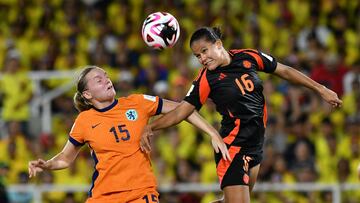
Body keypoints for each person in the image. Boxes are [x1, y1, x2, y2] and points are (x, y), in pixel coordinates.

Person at [140, 27, 343, 203]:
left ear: (218, 44)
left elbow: (286, 71)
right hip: (232, 147)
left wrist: (320, 89)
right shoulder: (206, 79)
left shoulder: (249, 56)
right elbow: (182, 112)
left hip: (255, 145)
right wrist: (151, 127)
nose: (202, 58)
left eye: (204, 51)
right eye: (197, 56)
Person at [28, 66, 230, 203]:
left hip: (141, 194)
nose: (107, 80)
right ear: (88, 95)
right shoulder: (84, 121)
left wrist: (213, 133)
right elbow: (65, 158)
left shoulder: (137, 102)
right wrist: (47, 164)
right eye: (99, 80)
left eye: (106, 76)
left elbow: (183, 109)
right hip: (103, 196)